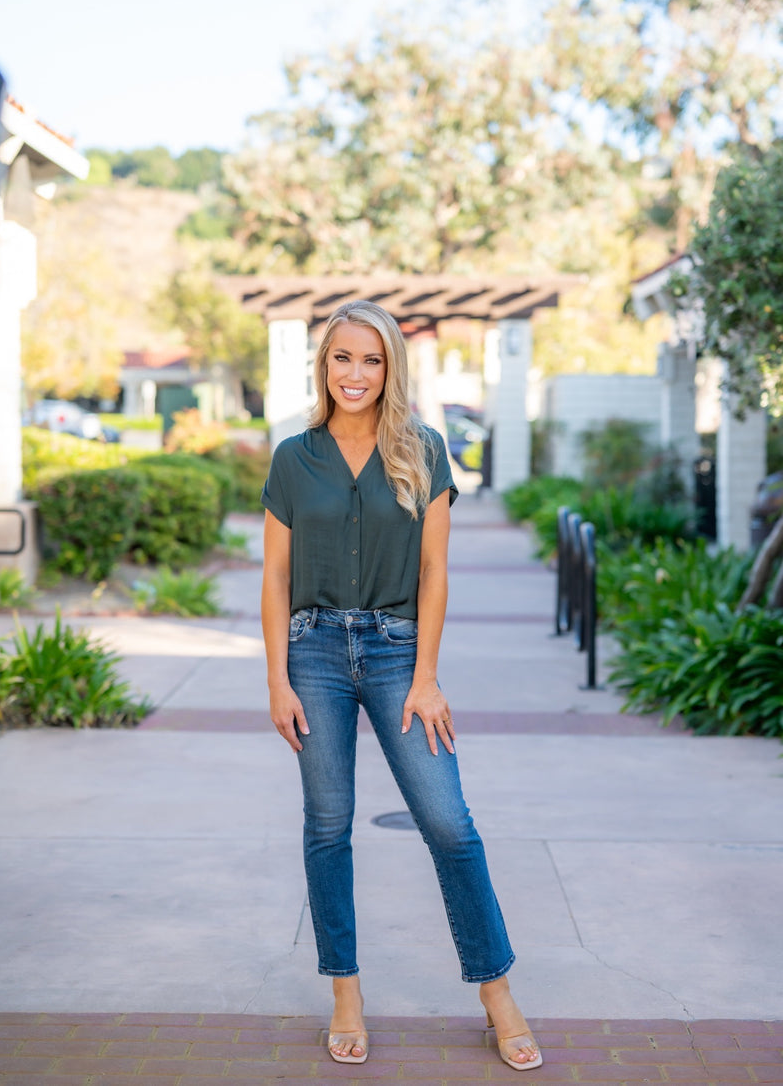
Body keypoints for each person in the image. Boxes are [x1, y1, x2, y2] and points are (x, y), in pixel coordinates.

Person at [260, 300, 542, 1072]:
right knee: (328, 824)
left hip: (395, 653)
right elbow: (276, 576)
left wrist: (426, 679)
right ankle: (345, 991)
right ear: (324, 366)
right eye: (342, 358)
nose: (355, 374)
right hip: (312, 651)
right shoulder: (294, 457)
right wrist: (278, 680)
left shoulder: (424, 450)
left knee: (450, 823)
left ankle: (496, 993)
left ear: (391, 368)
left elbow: (434, 572)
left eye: (371, 360)